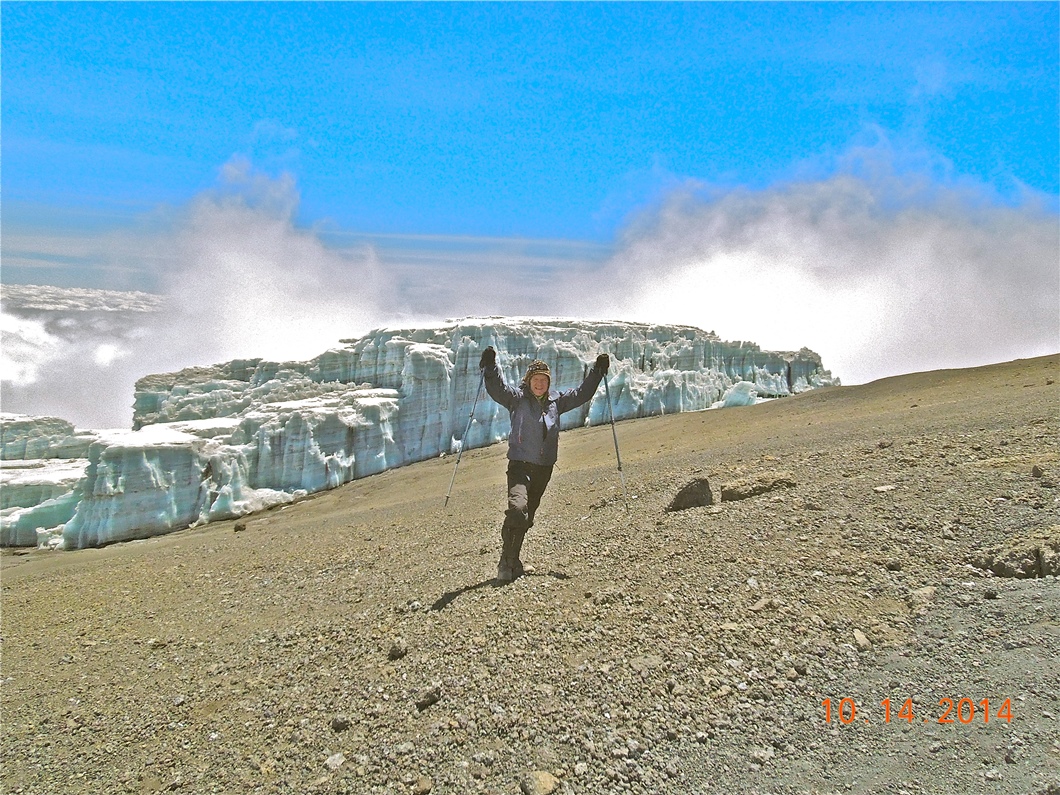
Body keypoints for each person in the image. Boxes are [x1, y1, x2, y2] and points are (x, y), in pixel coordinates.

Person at [477, 346, 610, 582]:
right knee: (518, 510)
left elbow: (581, 394)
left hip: (544, 467)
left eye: (543, 379)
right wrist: (490, 368)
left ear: (548, 382)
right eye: (535, 379)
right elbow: (497, 389)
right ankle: (505, 562)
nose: (539, 383)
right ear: (528, 381)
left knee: (527, 517)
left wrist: (597, 372)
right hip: (520, 465)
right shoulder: (516, 399)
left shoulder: (556, 402)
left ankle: (513, 562)